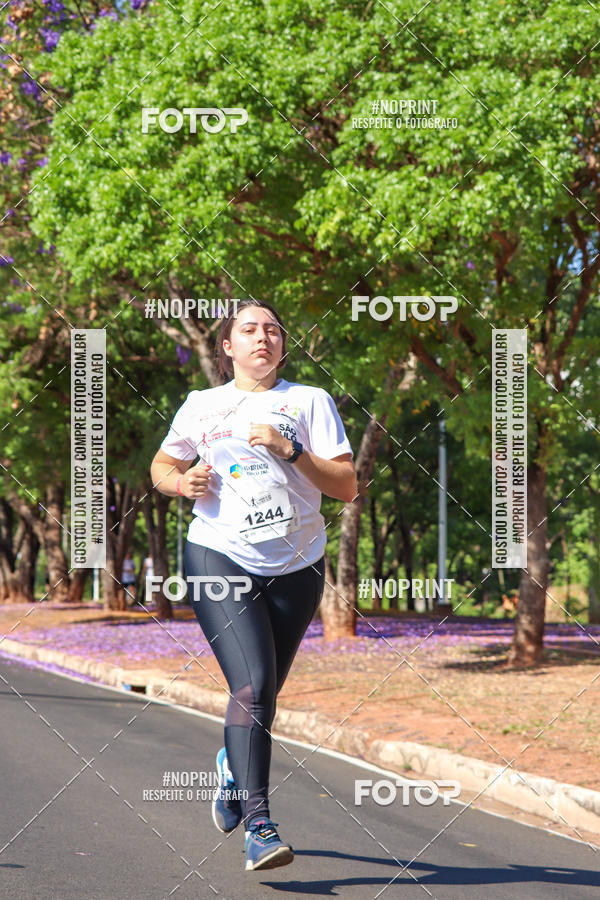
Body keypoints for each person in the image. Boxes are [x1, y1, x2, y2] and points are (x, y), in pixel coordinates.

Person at [150, 300, 357, 872]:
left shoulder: (310, 401)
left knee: (262, 697)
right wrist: (182, 483)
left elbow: (346, 486)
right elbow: (161, 468)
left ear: (283, 346)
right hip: (218, 554)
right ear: (228, 346)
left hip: (298, 564)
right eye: (249, 329)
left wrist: (290, 449)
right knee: (253, 685)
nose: (262, 337)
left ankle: (230, 767)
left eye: (273, 330)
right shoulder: (202, 405)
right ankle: (260, 827)